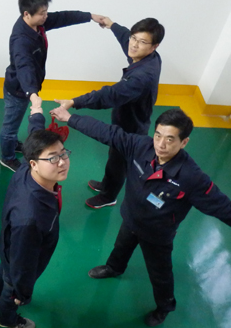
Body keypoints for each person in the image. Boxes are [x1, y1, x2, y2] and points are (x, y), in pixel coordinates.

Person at [51, 107, 231, 326]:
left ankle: (164, 306)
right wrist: (70, 118)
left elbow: (220, 204)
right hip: (131, 218)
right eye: (158, 135)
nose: (160, 144)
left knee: (160, 274)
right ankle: (114, 268)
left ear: (184, 142)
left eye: (169, 139)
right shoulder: (140, 146)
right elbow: (107, 132)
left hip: (157, 234)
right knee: (120, 248)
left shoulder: (191, 177)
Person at [52, 17, 165, 209]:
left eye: (141, 42)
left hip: (132, 125)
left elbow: (109, 96)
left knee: (118, 161)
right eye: (134, 38)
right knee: (114, 157)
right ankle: (107, 185)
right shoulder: (149, 56)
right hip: (127, 116)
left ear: (154, 46)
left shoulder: (141, 77)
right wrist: (111, 24)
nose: (134, 45)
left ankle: (108, 196)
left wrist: (74, 102)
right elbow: (125, 37)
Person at [0, 0, 104, 172]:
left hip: (28, 87)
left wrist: (90, 16)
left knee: (15, 121)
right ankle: (7, 158)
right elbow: (24, 67)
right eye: (42, 13)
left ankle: (13, 143)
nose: (46, 16)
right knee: (10, 125)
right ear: (26, 14)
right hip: (18, 89)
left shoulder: (37, 23)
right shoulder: (21, 40)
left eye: (46, 12)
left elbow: (63, 17)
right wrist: (32, 94)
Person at [0, 99, 71, 328]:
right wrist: (23, 293)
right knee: (12, 286)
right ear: (34, 163)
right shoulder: (31, 218)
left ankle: (0, 298)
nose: (62, 162)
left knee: (4, 270)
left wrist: (36, 110)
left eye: (63, 153)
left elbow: (35, 133)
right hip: (21, 252)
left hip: (9, 244)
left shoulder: (26, 170)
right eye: (53, 158)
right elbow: (24, 265)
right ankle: (7, 318)